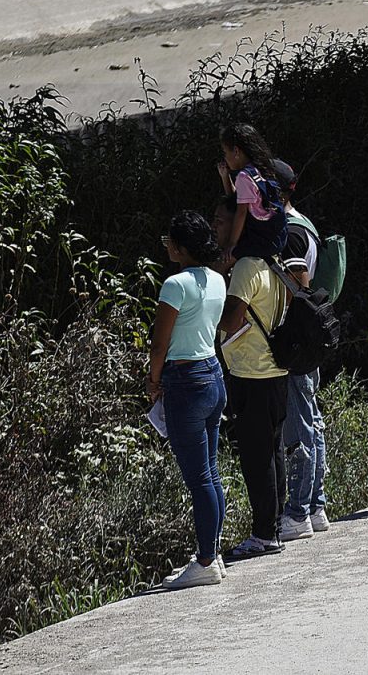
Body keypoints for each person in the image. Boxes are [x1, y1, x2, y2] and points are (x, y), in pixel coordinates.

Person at [147, 211, 229, 589]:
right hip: (213, 374)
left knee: (198, 479)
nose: (166, 245)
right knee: (210, 473)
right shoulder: (216, 279)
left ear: (180, 246)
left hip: (186, 380)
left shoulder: (175, 284)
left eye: (169, 240)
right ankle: (212, 551)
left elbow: (160, 342)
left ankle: (206, 560)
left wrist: (153, 379)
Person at [213, 195, 290, 561]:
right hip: (274, 369)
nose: (217, 228)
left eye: (222, 222)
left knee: (257, 457)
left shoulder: (245, 267)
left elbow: (230, 320)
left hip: (251, 372)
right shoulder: (271, 264)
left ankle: (263, 534)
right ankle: (273, 528)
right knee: (272, 450)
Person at [272, 159, 331, 542]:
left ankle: (298, 511)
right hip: (311, 338)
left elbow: (299, 283)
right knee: (311, 419)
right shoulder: (306, 223)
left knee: (300, 425)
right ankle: (316, 505)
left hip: (297, 339)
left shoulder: (290, 232)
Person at [216, 123, 288, 267]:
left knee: (221, 264)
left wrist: (231, 245)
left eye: (225, 152)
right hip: (278, 236)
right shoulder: (261, 170)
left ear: (236, 151)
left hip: (261, 240)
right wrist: (225, 176)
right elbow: (236, 200)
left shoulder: (244, 177)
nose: (225, 158)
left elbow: (240, 212)